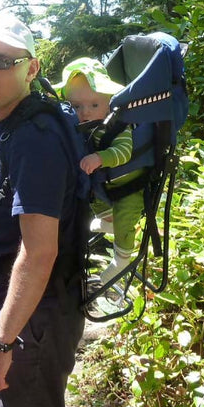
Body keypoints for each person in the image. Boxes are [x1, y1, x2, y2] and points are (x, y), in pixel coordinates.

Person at [0, 14, 85, 407]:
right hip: (6, 297)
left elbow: (39, 251)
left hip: (36, 315)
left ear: (31, 68)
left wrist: (2, 343)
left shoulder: (36, 139)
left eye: (2, 61)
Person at [54, 58, 145, 284]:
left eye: (94, 105)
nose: (85, 112)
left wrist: (100, 158)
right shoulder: (88, 127)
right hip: (105, 184)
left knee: (125, 220)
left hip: (129, 186)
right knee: (91, 195)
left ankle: (122, 261)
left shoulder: (117, 126)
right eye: (76, 106)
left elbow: (124, 152)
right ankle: (107, 220)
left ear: (109, 103)